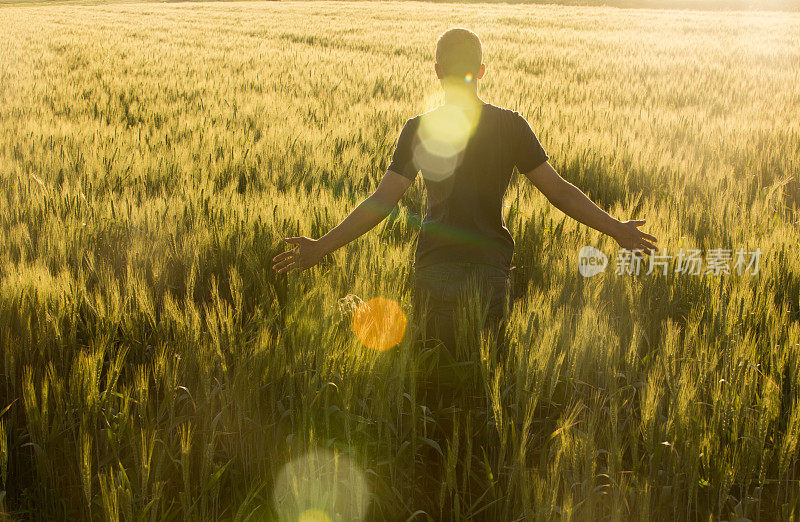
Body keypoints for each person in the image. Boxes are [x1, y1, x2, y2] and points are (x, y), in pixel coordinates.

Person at [271, 27, 657, 357]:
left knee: (435, 379)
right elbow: (559, 192)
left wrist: (322, 245)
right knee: (482, 380)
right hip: (490, 272)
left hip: (436, 269)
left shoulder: (419, 128)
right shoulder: (511, 126)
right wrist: (616, 228)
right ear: (482, 71)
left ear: (438, 72)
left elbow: (383, 202)